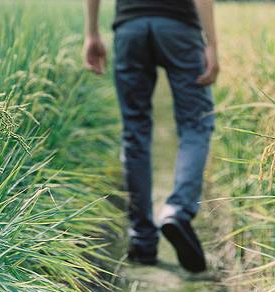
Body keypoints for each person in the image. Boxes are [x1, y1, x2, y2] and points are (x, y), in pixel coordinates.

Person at [83, 0, 219, 273]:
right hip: (179, 27)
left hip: (130, 27)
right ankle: (178, 211)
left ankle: (142, 240)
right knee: (196, 123)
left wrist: (92, 33)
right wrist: (212, 45)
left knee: (135, 131)